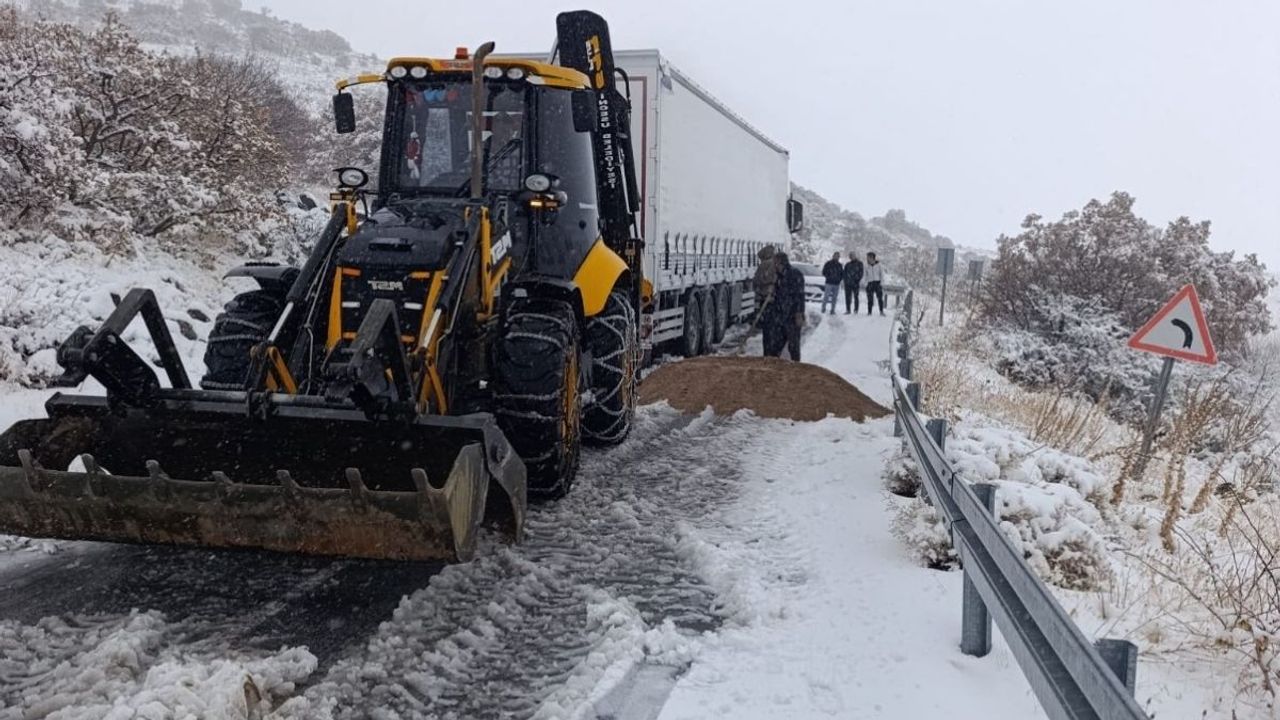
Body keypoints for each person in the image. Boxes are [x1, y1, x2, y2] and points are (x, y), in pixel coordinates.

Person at [764, 251, 806, 361]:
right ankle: (775, 369)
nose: (773, 265)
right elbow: (777, 295)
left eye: (775, 263)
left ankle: (796, 368)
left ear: (780, 262)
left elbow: (799, 295)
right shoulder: (778, 277)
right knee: (775, 345)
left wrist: (799, 313)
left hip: (792, 315)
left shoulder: (794, 274)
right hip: (780, 315)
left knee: (793, 346)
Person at [864, 251, 885, 316]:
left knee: (880, 298)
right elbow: (865, 275)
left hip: (877, 282)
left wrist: (881, 282)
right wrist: (866, 283)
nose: (867, 259)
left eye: (868, 257)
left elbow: (882, 274)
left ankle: (881, 311)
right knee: (870, 298)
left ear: (872, 258)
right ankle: (869, 312)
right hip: (870, 283)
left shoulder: (879, 265)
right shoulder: (866, 266)